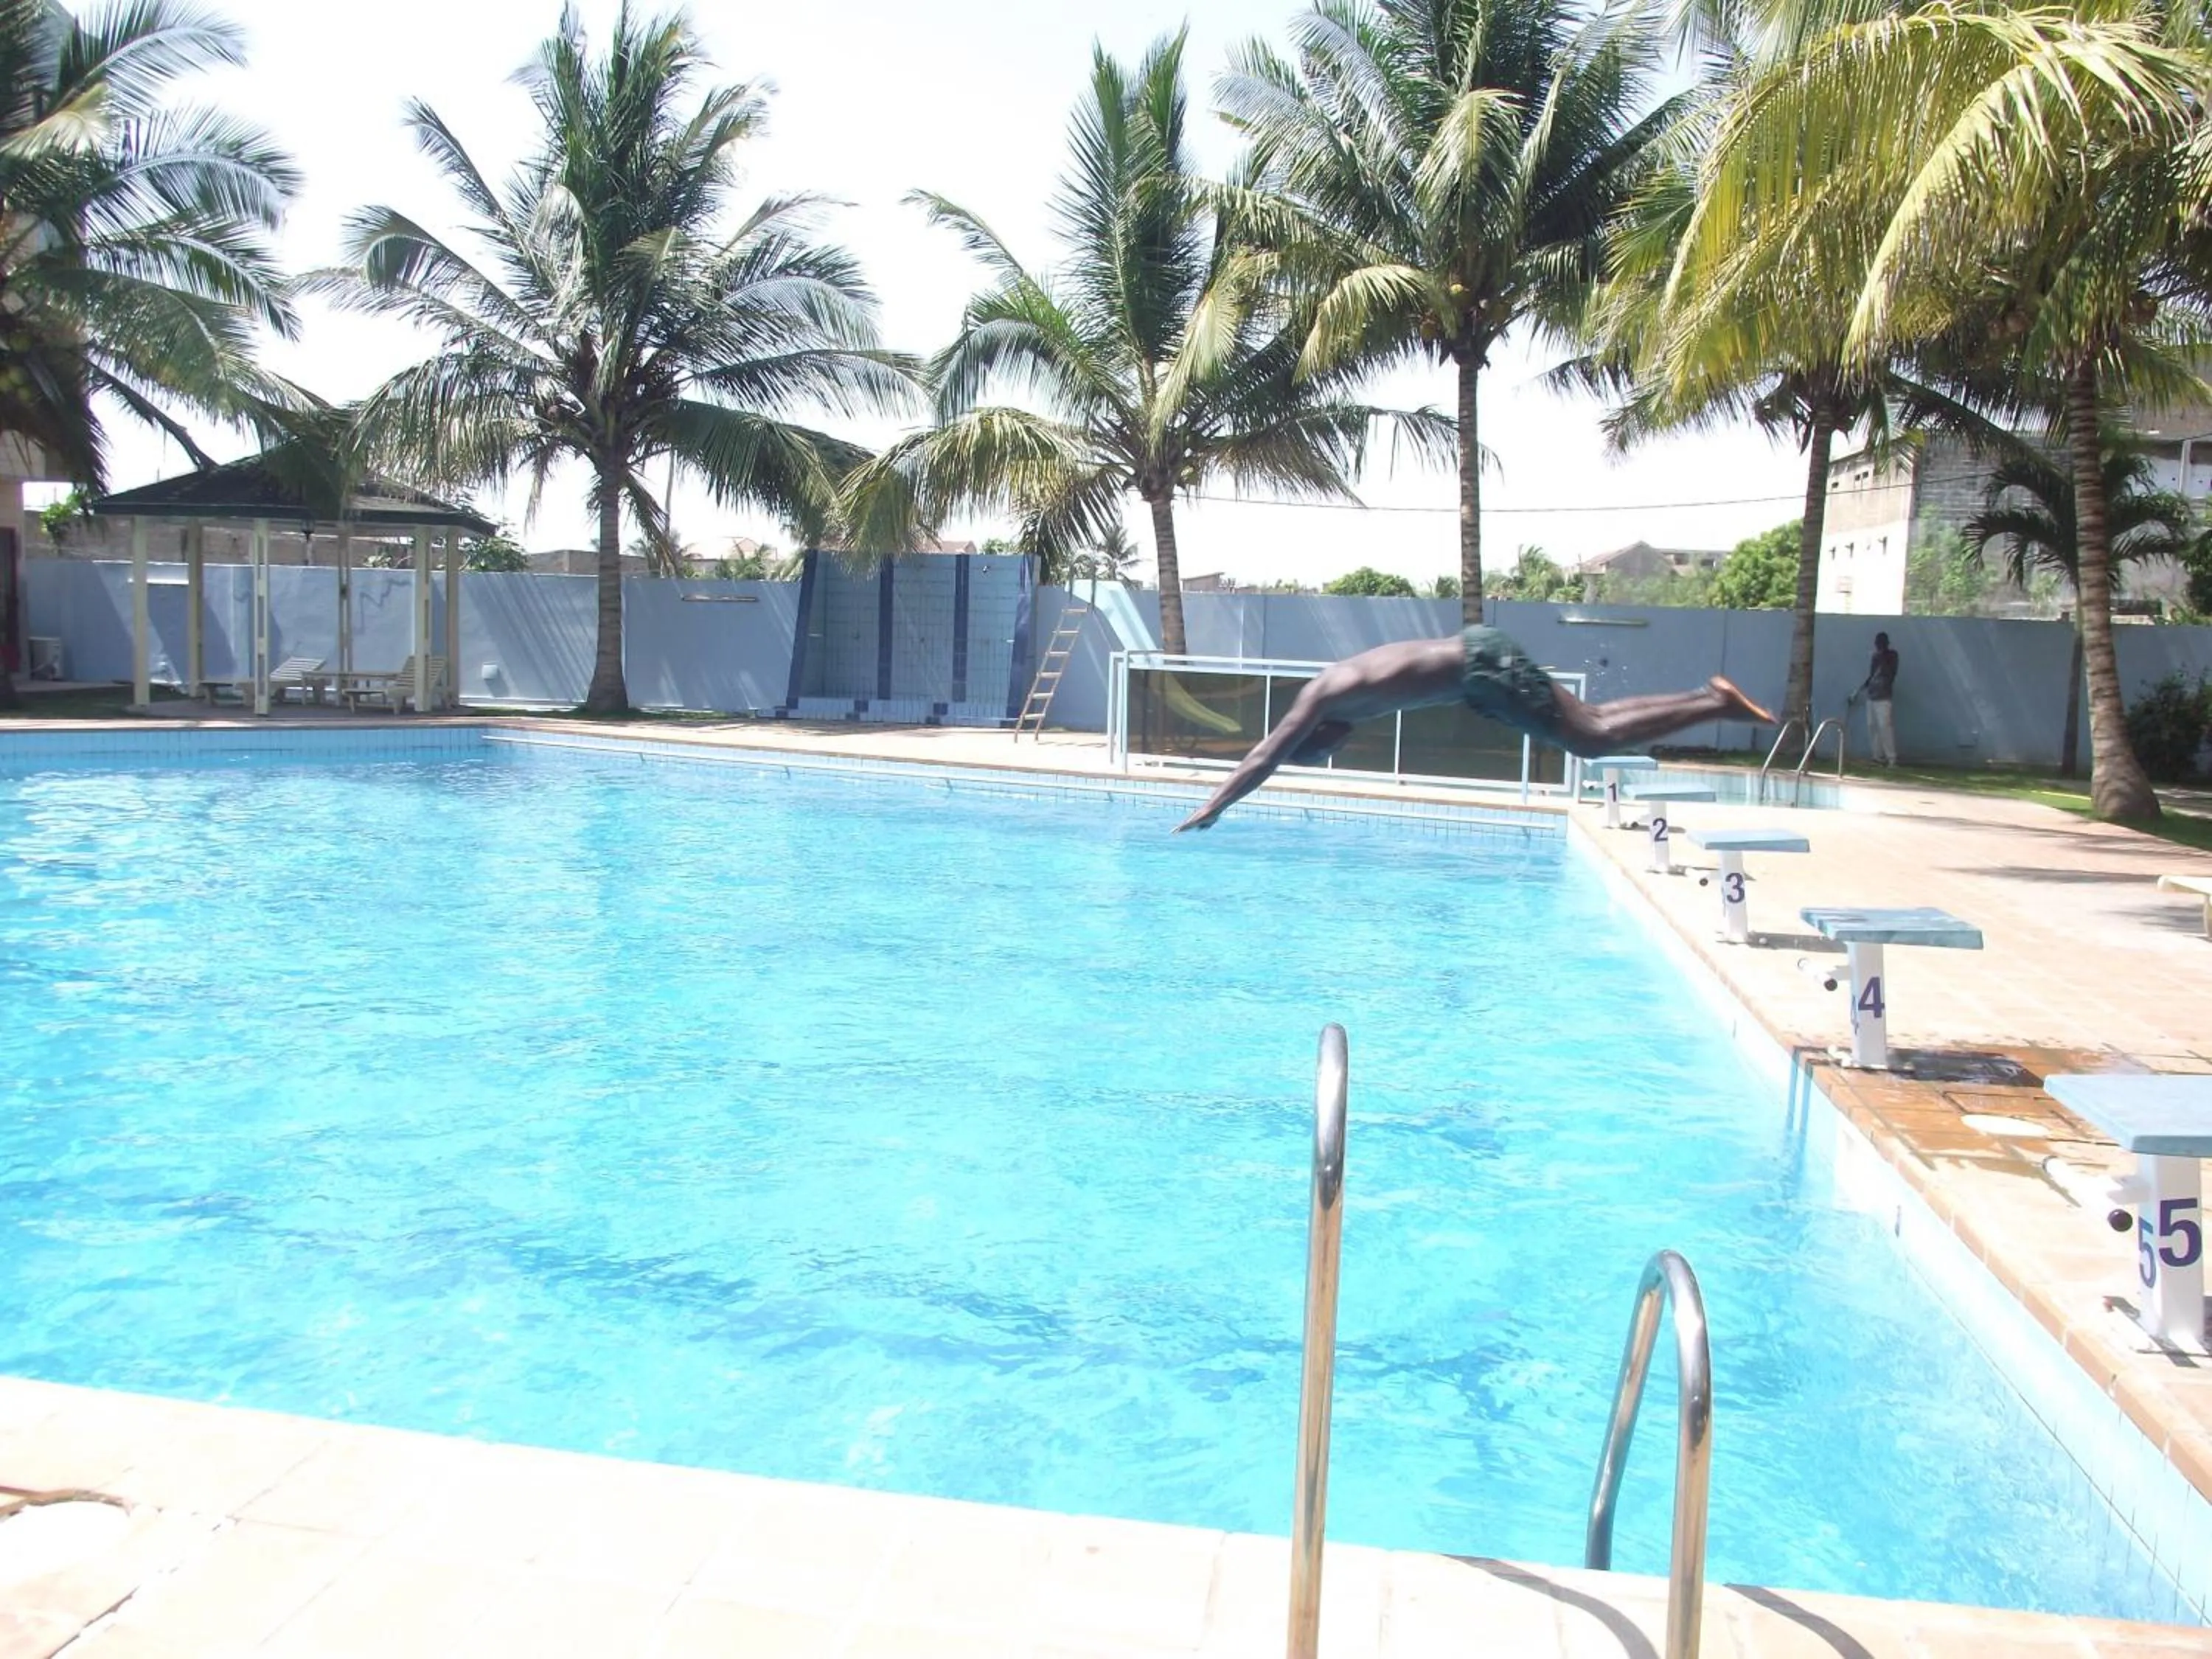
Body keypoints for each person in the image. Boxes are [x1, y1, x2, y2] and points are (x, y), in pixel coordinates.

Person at [1175, 625, 1775, 832]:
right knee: (1589, 731)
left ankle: (1712, 701)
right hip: (1478, 667)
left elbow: (1264, 758)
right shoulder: (1334, 693)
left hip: (1479, 669)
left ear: (1314, 734)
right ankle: (1711, 700)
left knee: (1591, 737)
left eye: (1324, 750)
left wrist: (1215, 806)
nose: (1338, 747)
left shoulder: (1317, 700)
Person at [1849, 631, 1901, 768]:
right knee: (1873, 727)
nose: (1878, 646)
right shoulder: (1875, 658)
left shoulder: (1892, 655)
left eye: (1880, 644)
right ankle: (1878, 757)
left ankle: (1892, 758)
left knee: (1885, 727)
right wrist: (1858, 691)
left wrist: (1880, 656)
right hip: (1872, 696)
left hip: (1884, 697)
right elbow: (1872, 676)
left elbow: (1891, 672)